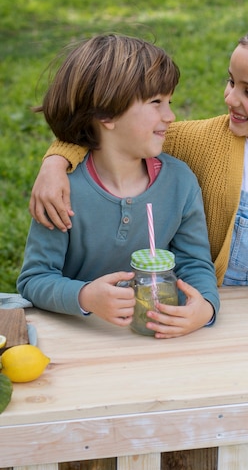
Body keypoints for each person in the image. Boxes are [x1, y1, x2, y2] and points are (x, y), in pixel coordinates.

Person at [29, 20, 248, 290]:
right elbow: (111, 130)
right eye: (231, 81)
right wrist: (56, 161)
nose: (230, 97)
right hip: (210, 304)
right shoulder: (201, 141)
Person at [18, 34, 219, 338]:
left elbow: (194, 264)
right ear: (105, 114)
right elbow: (34, 279)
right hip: (81, 339)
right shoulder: (61, 191)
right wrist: (86, 296)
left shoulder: (180, 182)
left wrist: (204, 306)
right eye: (155, 103)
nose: (170, 115)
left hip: (156, 336)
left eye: (169, 102)